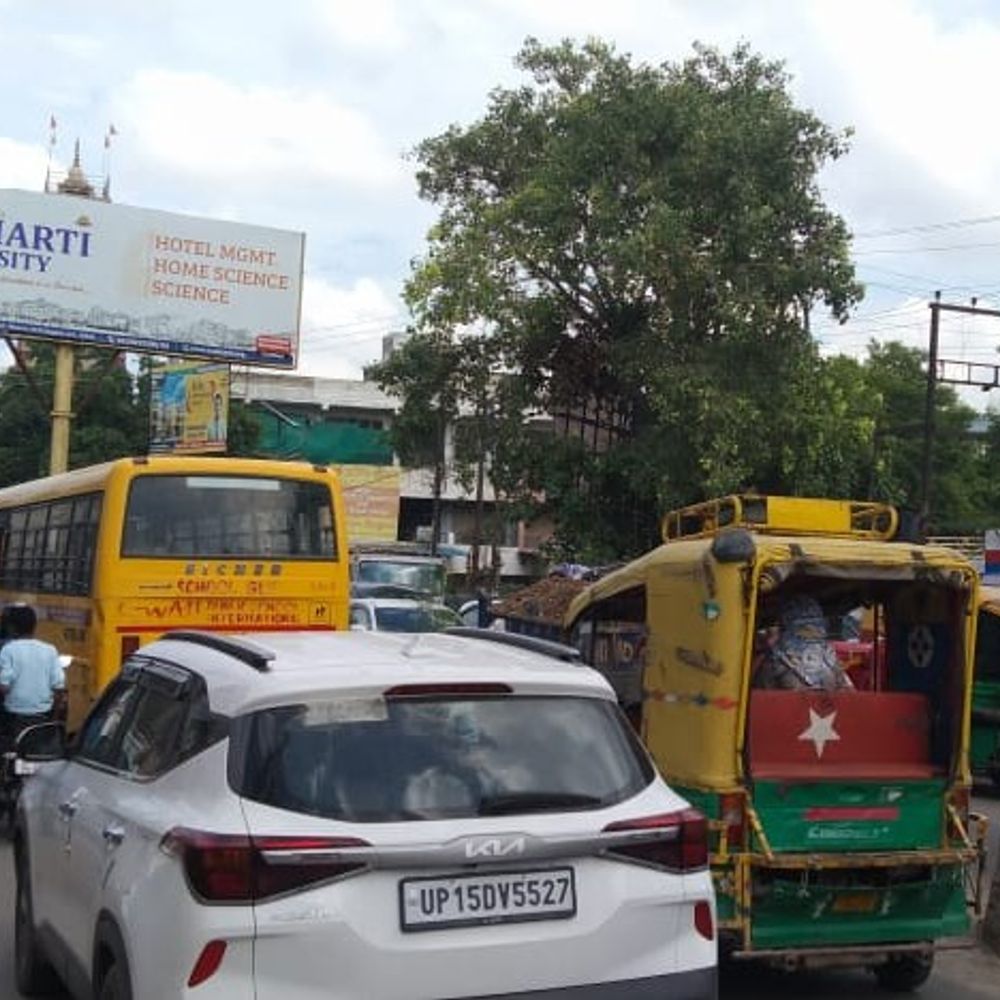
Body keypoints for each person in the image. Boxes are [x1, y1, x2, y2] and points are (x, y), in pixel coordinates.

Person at [0, 604, 66, 753]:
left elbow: (4, 686)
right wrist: (53, 718)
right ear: (34, 626)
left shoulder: (8, 650)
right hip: (43, 718)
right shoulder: (50, 650)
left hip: (14, 719)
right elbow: (59, 688)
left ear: (11, 627)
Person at [754, 595, 854, 691]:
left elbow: (848, 692)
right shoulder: (776, 659)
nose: (811, 629)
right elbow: (762, 694)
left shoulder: (828, 655)